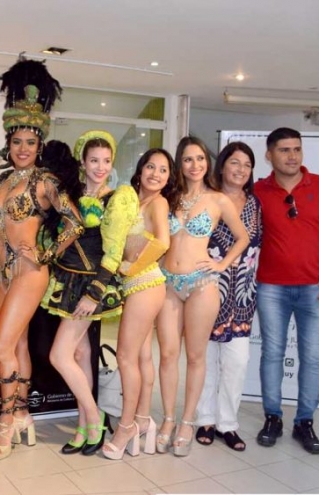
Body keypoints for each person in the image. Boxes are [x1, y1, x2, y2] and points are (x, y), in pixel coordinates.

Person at [0, 60, 83, 461]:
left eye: (30, 142)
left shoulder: (45, 181)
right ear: (8, 144)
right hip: (2, 274)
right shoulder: (3, 180)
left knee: (0, 346)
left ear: (39, 144)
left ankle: (5, 422)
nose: (23, 148)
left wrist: (44, 253)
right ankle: (23, 413)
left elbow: (74, 222)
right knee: (18, 345)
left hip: (29, 273)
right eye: (17, 142)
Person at [45, 132, 138, 457]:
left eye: (107, 161)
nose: (101, 167)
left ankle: (95, 419)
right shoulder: (69, 194)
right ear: (83, 162)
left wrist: (94, 294)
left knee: (59, 355)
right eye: (94, 160)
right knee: (81, 355)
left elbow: (113, 253)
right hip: (67, 280)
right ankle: (84, 426)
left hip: (91, 286)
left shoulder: (116, 199)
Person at [155, 136, 249, 457]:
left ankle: (187, 421)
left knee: (196, 357)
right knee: (168, 355)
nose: (195, 165)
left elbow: (242, 237)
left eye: (200, 159)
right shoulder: (169, 197)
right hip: (168, 283)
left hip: (202, 285)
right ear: (180, 164)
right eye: (188, 159)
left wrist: (221, 263)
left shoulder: (218, 200)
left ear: (208, 163)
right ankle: (168, 418)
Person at [254, 127, 319, 455]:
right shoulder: (258, 191)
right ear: (269, 155)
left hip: (315, 289)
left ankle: (305, 421)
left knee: (313, 357)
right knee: (272, 353)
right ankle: (272, 417)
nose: (292, 156)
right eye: (284, 150)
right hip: (271, 287)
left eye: (296, 149)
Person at [101, 148, 176, 459]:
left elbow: (163, 242)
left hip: (145, 283)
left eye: (163, 170)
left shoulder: (158, 202)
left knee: (126, 356)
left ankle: (126, 426)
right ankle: (143, 419)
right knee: (142, 357)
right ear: (141, 169)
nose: (156, 174)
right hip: (136, 285)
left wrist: (131, 269)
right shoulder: (134, 200)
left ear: (169, 178)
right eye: (151, 167)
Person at [193, 141, 262, 452]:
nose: (241, 169)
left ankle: (228, 424)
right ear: (222, 166)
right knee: (205, 359)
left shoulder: (254, 204)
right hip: (208, 289)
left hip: (243, 295)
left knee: (237, 362)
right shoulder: (206, 198)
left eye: (247, 165)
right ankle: (205, 420)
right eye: (235, 162)